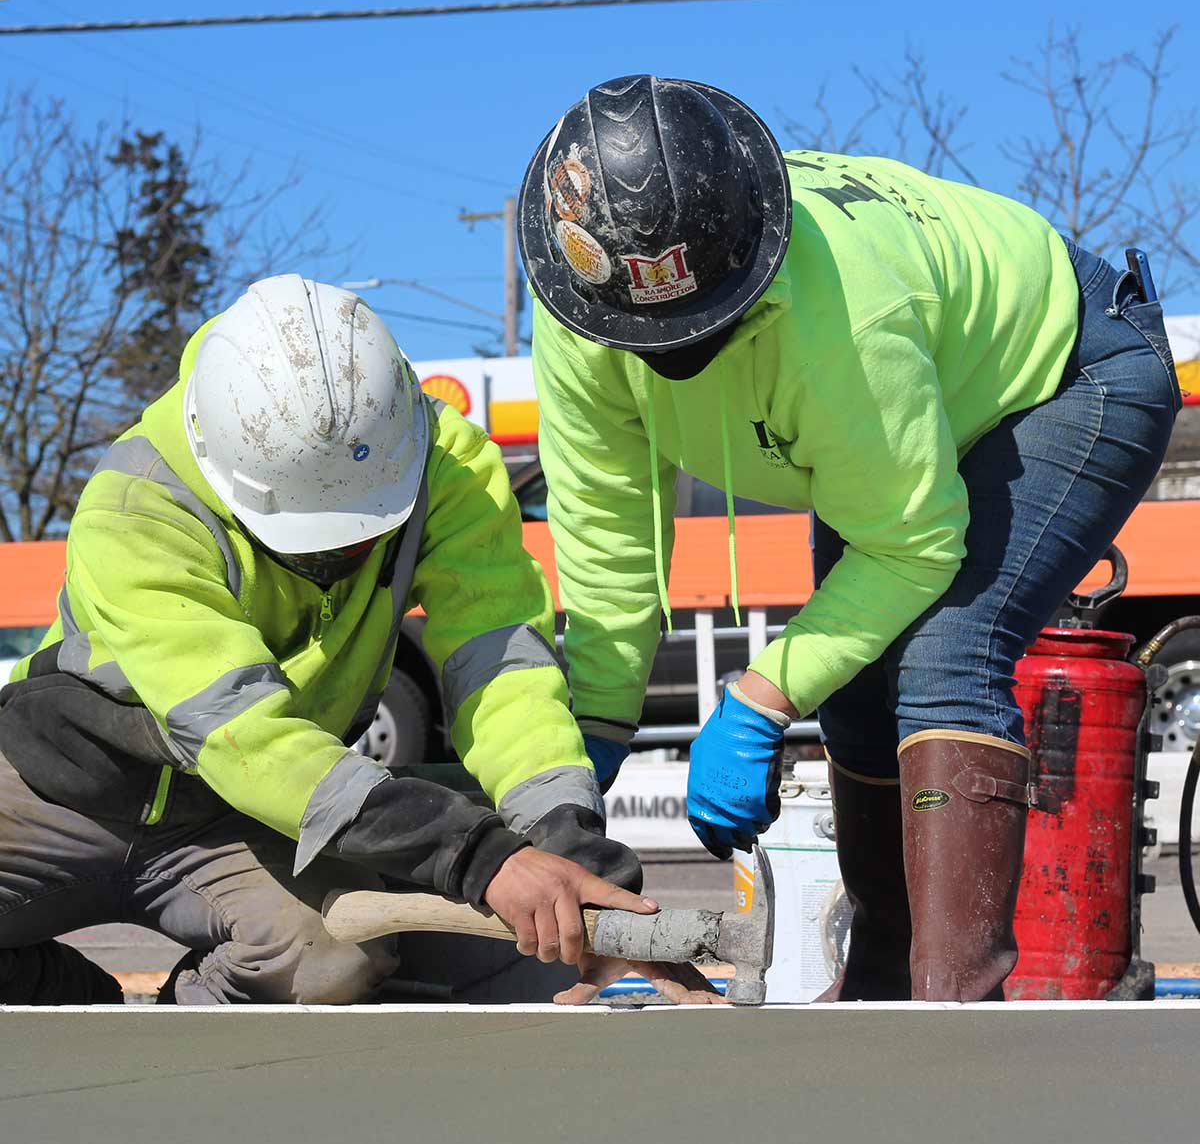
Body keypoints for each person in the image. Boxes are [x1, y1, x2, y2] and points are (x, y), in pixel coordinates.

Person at [518, 75, 1180, 1001]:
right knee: (857, 691)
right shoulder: (584, 321)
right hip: (929, 407)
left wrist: (754, 701)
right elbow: (611, 554)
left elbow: (911, 546)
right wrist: (586, 737)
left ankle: (953, 1011)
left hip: (1070, 371)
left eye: (698, 330)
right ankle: (877, 988)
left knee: (948, 648)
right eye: (645, 337)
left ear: (746, 265)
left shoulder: (841, 318)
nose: (670, 356)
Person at [0, 274, 718, 1005]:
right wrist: (479, 856)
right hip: (64, 789)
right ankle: (60, 998)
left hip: (240, 817)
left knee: (333, 967)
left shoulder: (447, 463)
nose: (339, 560)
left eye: (364, 532)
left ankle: (162, 1039)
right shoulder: (140, 499)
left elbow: (501, 667)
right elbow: (244, 736)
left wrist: (575, 861)